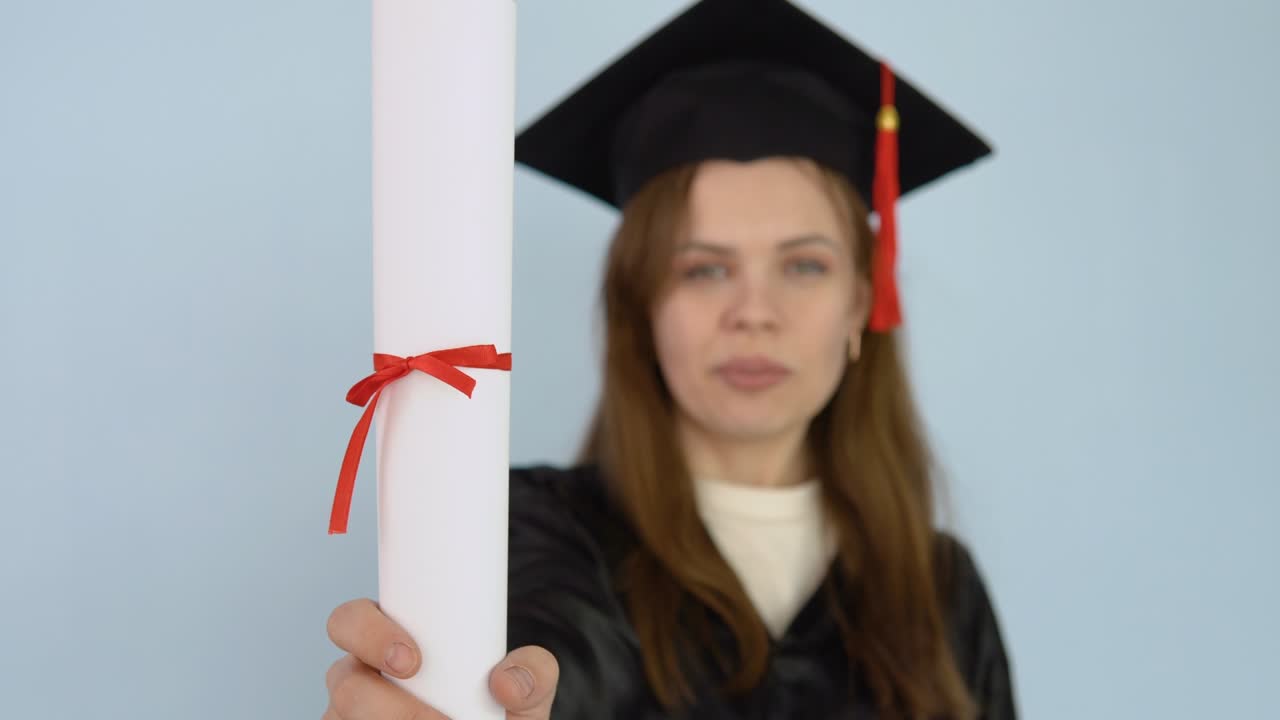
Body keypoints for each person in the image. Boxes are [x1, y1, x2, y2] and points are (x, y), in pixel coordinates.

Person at [323, 0, 1016, 718]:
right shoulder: (533, 540)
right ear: (641, 308)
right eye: (703, 269)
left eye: (805, 266)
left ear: (860, 307)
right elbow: (531, 674)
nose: (754, 311)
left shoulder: (939, 591)